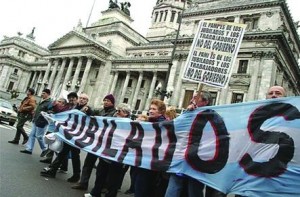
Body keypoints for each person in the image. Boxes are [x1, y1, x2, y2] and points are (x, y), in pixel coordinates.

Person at [165, 91, 226, 197]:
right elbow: (177, 129)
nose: (191, 100)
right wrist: (186, 113)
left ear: (205, 102)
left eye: (195, 98)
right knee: (172, 191)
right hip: (181, 160)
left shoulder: (213, 117)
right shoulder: (188, 113)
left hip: (197, 163)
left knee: (194, 192)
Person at [40, 93, 93, 183]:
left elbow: (90, 117)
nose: (82, 100)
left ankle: (75, 175)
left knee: (75, 156)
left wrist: (87, 111)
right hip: (70, 134)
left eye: (84, 99)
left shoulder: (87, 109)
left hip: (78, 136)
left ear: (87, 101)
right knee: (63, 153)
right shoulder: (75, 107)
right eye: (81, 98)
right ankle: (53, 170)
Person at [85, 103, 132, 197]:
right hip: (106, 151)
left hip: (118, 154)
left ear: (126, 114)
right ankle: (95, 192)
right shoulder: (111, 121)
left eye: (119, 111)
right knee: (100, 173)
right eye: (116, 110)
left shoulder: (130, 124)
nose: (116, 113)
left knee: (113, 179)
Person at [72, 94, 116, 190]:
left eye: (108, 101)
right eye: (105, 100)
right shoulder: (100, 110)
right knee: (88, 162)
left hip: (106, 143)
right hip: (95, 141)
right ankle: (83, 183)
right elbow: (92, 113)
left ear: (112, 103)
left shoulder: (114, 113)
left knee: (103, 167)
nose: (106, 102)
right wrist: (87, 110)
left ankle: (103, 186)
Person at [134, 99, 167, 197]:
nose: (151, 111)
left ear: (160, 111)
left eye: (154, 109)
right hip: (143, 159)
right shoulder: (147, 122)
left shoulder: (163, 124)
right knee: (140, 185)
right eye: (150, 108)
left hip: (153, 162)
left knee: (145, 187)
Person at [20, 89, 52, 156]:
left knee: (39, 136)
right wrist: (34, 116)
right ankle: (29, 149)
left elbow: (51, 111)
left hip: (42, 122)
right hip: (36, 120)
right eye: (42, 93)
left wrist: (46, 113)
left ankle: (45, 149)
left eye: (44, 93)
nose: (42, 94)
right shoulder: (42, 100)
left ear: (48, 94)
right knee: (32, 135)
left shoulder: (49, 102)